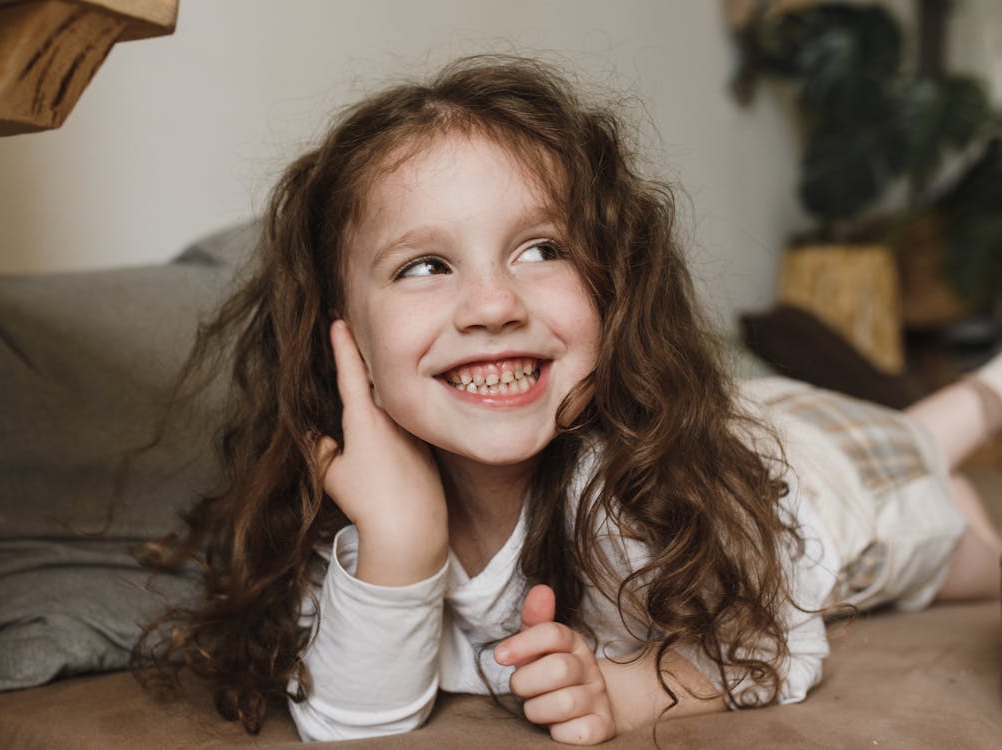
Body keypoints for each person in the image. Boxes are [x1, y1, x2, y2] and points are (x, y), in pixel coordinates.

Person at [136, 56, 1002, 745]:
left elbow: (769, 641)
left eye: (540, 249)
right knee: (912, 431)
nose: (491, 304)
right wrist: (401, 538)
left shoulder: (626, 495)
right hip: (764, 428)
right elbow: (352, 723)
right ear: (341, 337)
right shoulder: (351, 511)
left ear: (611, 284)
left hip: (824, 489)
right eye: (425, 265)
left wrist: (625, 691)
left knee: (941, 517)